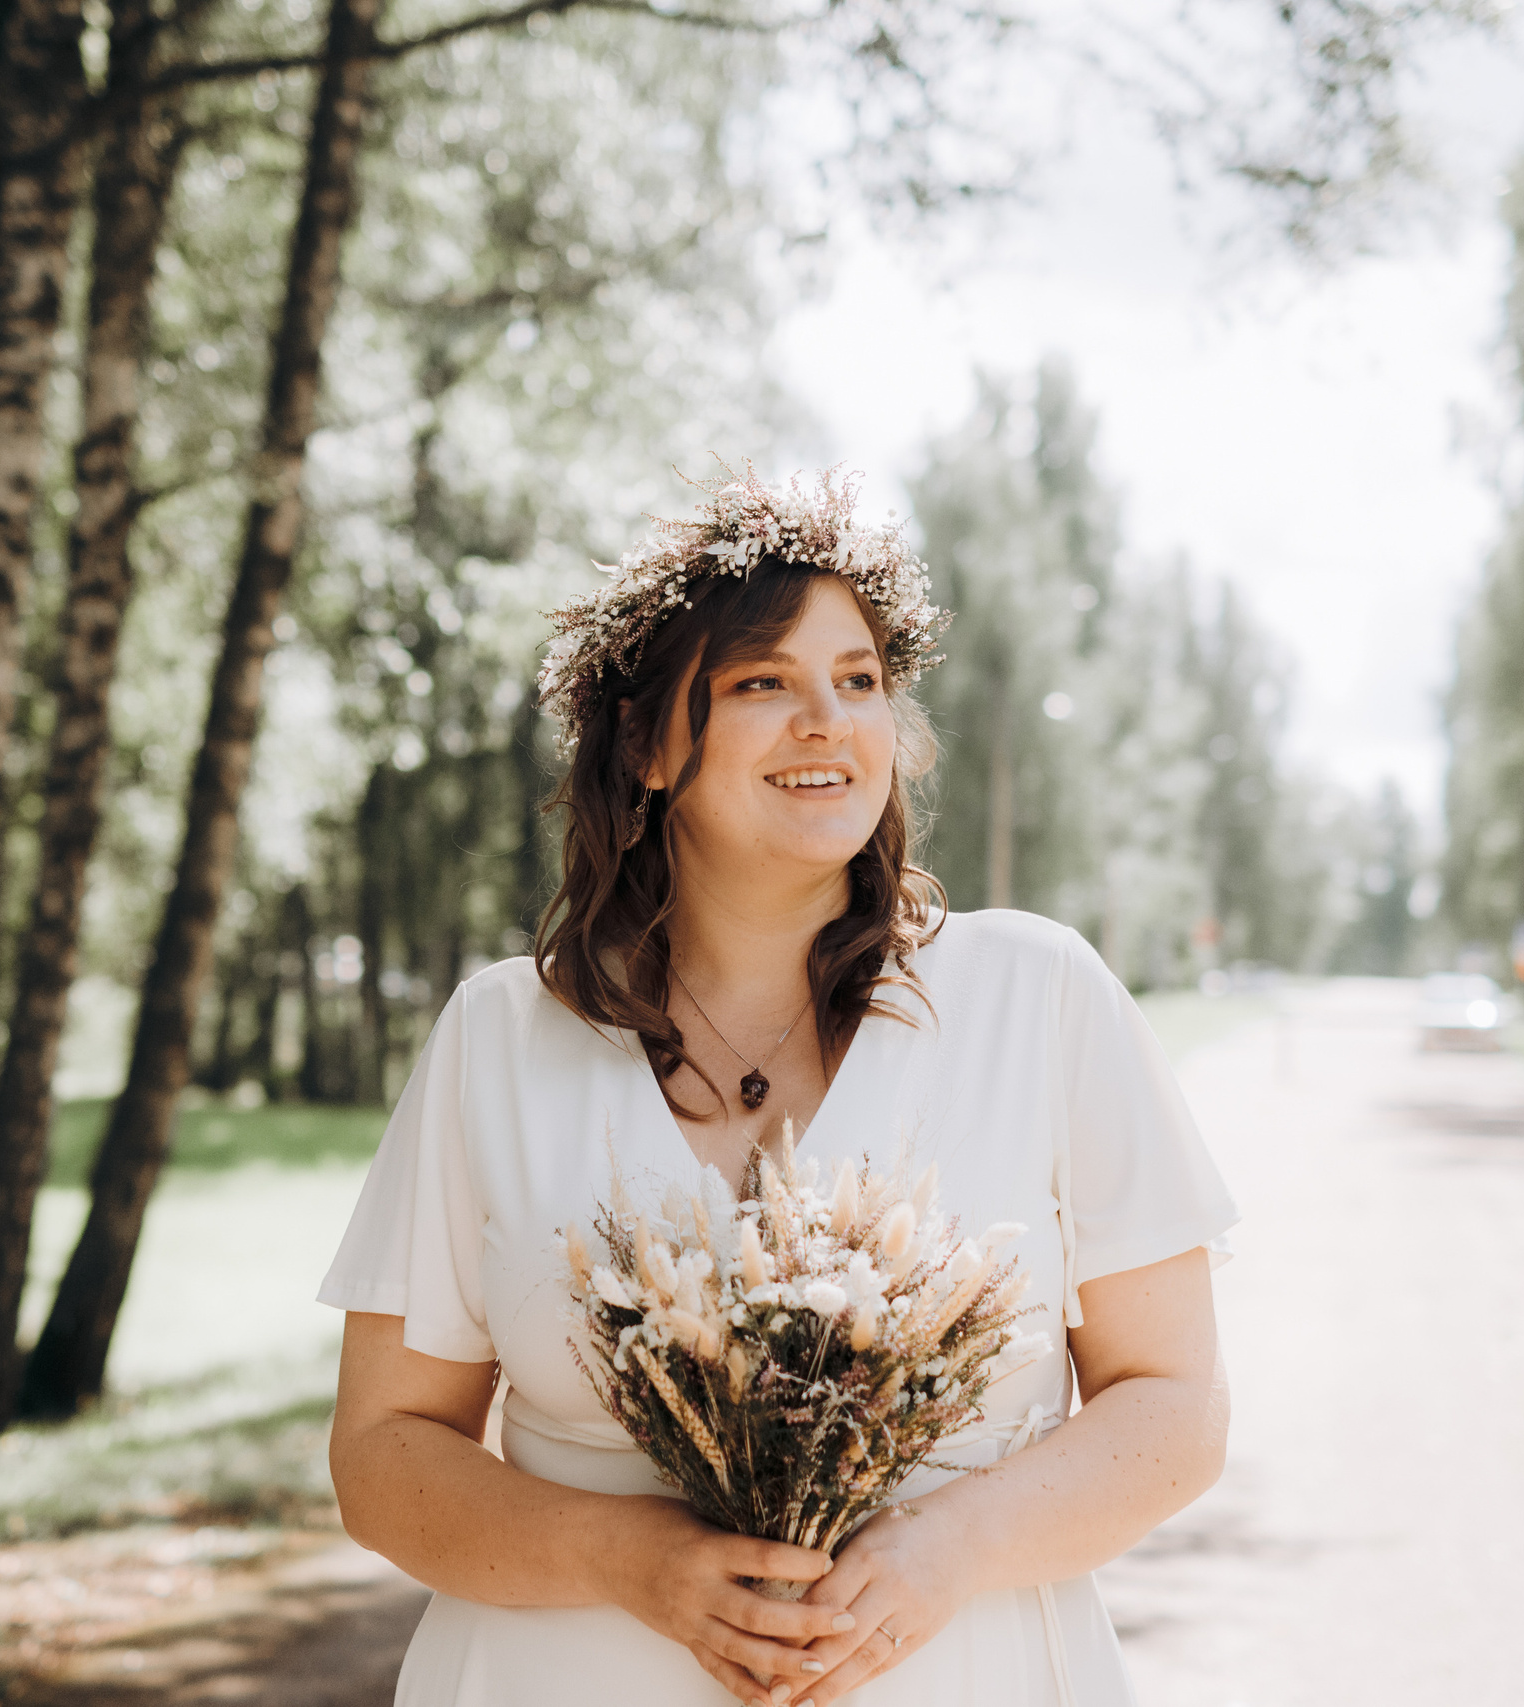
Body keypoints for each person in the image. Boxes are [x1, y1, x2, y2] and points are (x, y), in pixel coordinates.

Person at [319, 467, 1237, 1706]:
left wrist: (944, 1552)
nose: (829, 721)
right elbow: (383, 1458)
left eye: (858, 680)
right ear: (645, 746)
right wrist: (630, 1558)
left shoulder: (1040, 995)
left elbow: (1172, 1409)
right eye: (763, 682)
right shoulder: (501, 1035)